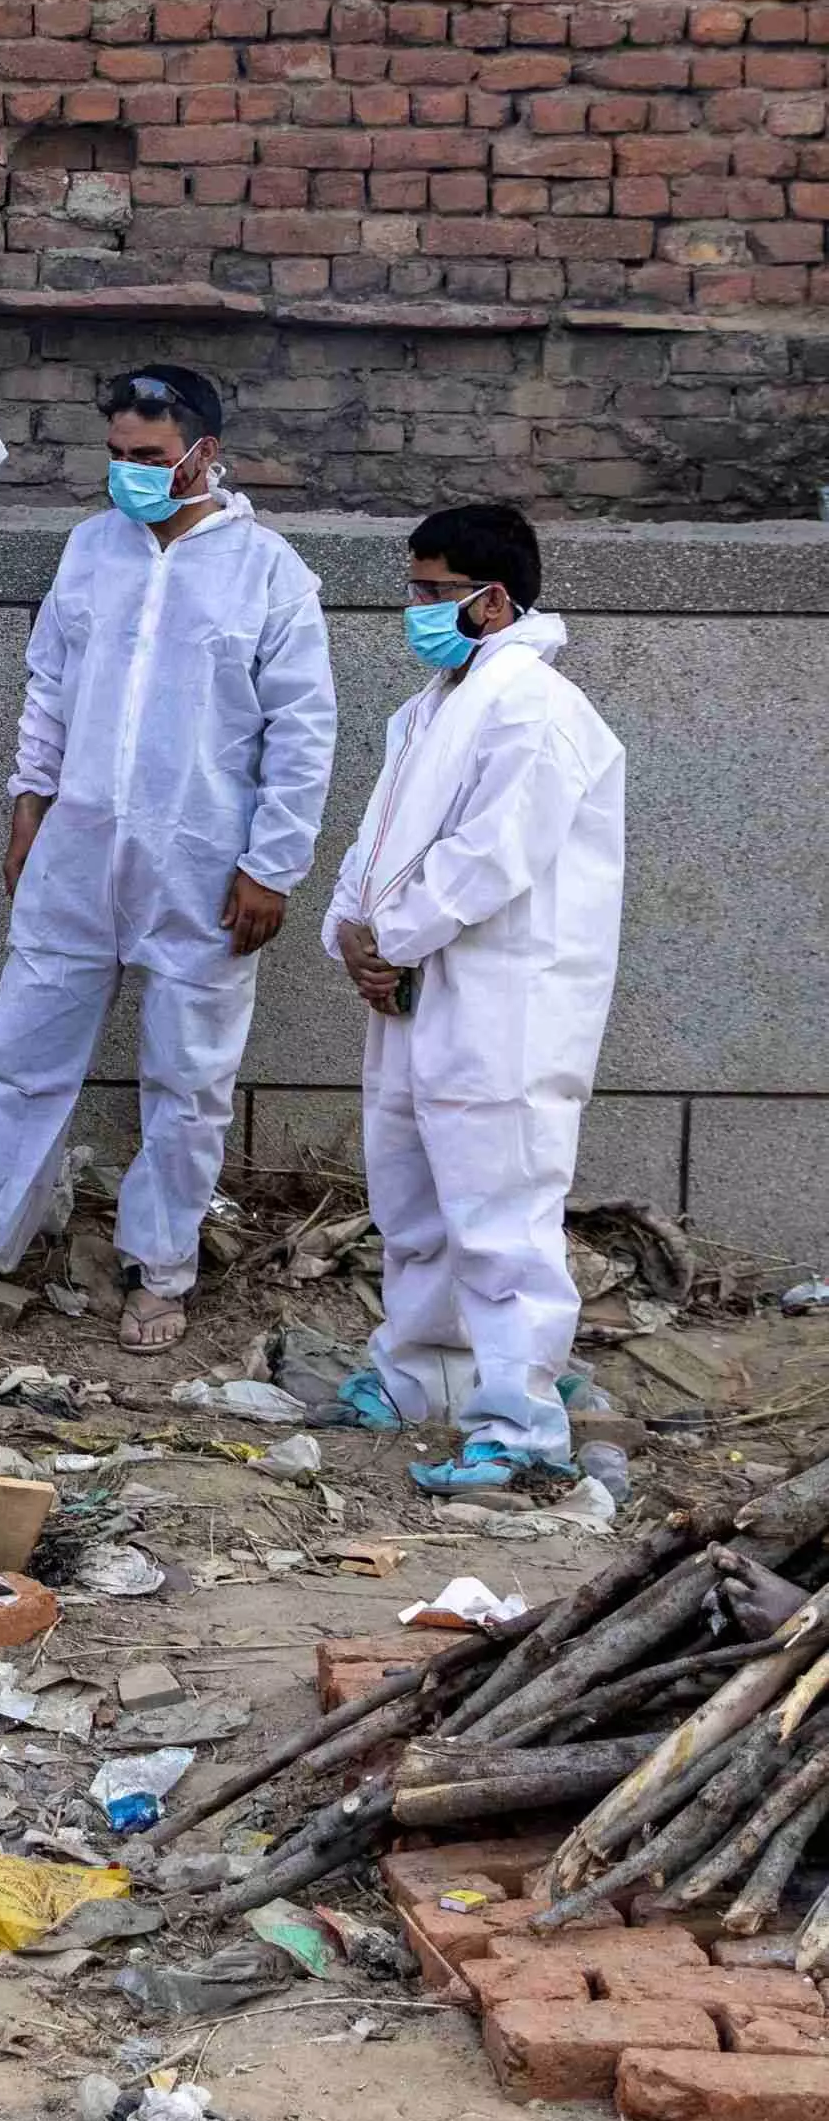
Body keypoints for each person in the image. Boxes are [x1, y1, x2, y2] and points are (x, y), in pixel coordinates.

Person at [0, 365, 336, 1352]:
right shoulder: (89, 552)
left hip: (203, 865)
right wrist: (25, 808)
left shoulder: (266, 572)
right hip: (75, 851)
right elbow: (47, 686)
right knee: (19, 1056)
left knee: (187, 1076)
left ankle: (158, 1268)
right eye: (116, 455)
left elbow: (301, 735)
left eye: (150, 458)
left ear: (203, 453)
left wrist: (271, 865)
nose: (129, 474)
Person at [321, 504, 625, 1491]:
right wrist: (351, 933)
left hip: (502, 997)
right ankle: (423, 1378)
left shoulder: (534, 711)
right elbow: (376, 848)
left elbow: (487, 857)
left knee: (499, 1210)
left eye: (430, 591)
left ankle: (520, 1419)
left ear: (489, 602)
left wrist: (389, 938)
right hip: (417, 988)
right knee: (411, 1195)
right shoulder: (431, 708)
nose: (411, 608)